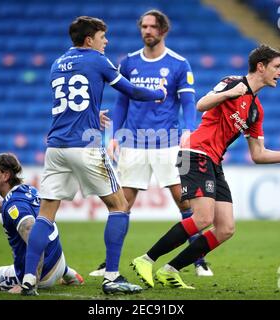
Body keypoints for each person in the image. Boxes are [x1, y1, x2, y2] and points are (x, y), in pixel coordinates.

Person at [131, 44, 280, 289]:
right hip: (194, 153)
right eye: (277, 66)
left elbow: (257, 154)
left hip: (214, 161)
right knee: (203, 217)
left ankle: (170, 269)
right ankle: (146, 259)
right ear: (261, 66)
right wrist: (229, 94)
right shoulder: (232, 82)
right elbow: (201, 104)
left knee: (226, 228)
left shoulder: (256, 111)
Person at [21, 16, 167, 296]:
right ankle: (111, 277)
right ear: (89, 40)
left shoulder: (57, 63)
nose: (106, 42)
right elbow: (131, 90)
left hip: (55, 147)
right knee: (119, 206)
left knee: (46, 215)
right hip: (84, 146)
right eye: (102, 37)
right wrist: (158, 93)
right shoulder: (97, 60)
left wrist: (90, 115)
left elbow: (69, 101)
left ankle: (29, 279)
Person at [89, 9, 213, 281]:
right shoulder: (129, 62)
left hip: (168, 143)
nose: (146, 31)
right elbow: (122, 102)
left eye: (152, 27)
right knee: (122, 204)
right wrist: (113, 136)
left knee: (185, 202)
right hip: (133, 143)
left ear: (163, 31)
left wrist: (189, 130)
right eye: (143, 26)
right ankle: (108, 264)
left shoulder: (179, 64)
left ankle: (198, 259)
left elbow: (189, 102)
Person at [0, 153, 84, 293]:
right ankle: (69, 273)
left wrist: (30, 283)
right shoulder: (28, 190)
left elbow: (35, 238)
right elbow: (9, 205)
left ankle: (30, 281)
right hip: (58, 260)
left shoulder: (15, 206)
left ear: (5, 175)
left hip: (41, 275)